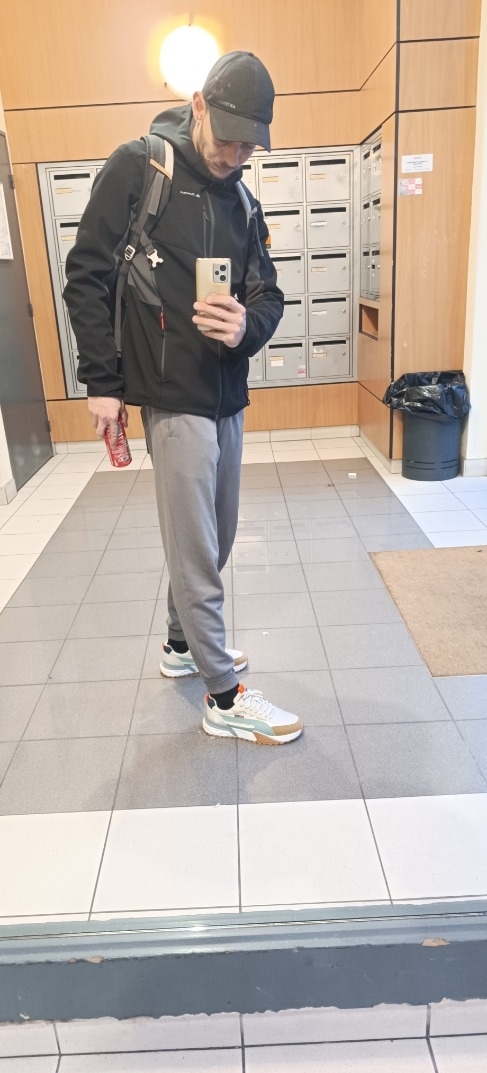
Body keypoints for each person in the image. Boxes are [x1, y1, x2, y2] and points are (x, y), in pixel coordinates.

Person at [64, 50, 303, 745]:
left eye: (249, 145)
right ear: (197, 105)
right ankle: (223, 697)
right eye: (227, 138)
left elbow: (269, 293)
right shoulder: (140, 168)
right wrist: (102, 383)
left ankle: (179, 644)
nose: (235, 155)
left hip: (227, 394)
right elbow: (86, 275)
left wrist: (246, 326)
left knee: (218, 534)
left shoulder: (243, 201)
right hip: (170, 396)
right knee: (197, 548)